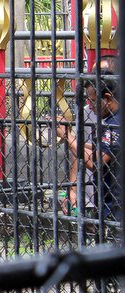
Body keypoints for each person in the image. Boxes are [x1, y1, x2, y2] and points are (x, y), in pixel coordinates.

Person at [54, 71, 121, 221]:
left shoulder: (115, 124)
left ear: (108, 98)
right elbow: (105, 148)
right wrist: (72, 137)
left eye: (92, 101)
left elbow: (95, 163)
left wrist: (67, 136)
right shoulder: (113, 119)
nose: (89, 106)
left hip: (116, 207)